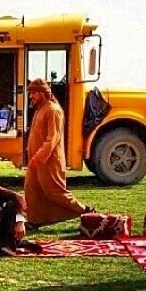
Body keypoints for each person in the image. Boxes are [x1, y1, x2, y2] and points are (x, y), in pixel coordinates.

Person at [23, 78, 94, 227]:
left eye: (33, 93)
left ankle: (84, 210)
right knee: (32, 189)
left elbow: (52, 138)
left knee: (54, 191)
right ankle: (35, 220)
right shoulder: (40, 109)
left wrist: (38, 157)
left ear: (43, 93)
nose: (31, 97)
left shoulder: (53, 110)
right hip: (36, 160)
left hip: (49, 161)